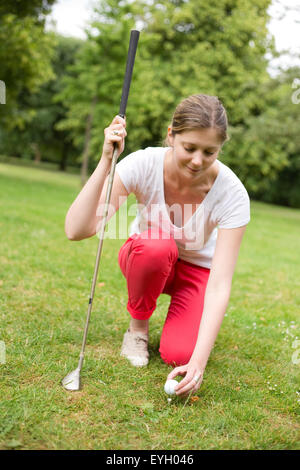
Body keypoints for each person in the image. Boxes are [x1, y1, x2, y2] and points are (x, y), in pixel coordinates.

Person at [65, 94, 250, 397]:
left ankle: (179, 335)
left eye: (209, 151)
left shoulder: (233, 194)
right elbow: (76, 229)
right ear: (171, 136)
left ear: (221, 148)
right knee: (156, 244)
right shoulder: (143, 164)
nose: (197, 160)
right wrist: (105, 162)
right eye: (189, 148)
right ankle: (137, 329)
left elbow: (220, 285)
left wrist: (198, 363)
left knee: (179, 354)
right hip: (148, 256)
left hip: (196, 271)